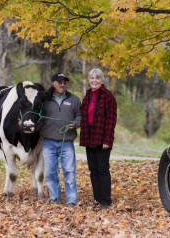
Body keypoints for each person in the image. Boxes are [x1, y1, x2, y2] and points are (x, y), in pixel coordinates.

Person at [40, 73, 81, 207]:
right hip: (48, 142)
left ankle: (71, 201)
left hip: (67, 142)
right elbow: (35, 115)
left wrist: (75, 124)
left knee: (69, 171)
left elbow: (80, 116)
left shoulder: (74, 99)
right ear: (53, 83)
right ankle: (55, 198)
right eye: (59, 82)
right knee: (50, 172)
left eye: (64, 82)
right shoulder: (44, 100)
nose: (62, 85)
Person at [79, 68, 117, 209]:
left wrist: (108, 140)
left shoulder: (108, 96)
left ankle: (105, 201)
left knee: (102, 169)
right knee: (93, 170)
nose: (94, 81)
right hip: (89, 137)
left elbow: (111, 120)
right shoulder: (87, 96)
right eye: (92, 78)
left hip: (102, 138)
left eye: (97, 78)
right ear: (89, 80)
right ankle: (97, 198)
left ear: (102, 81)